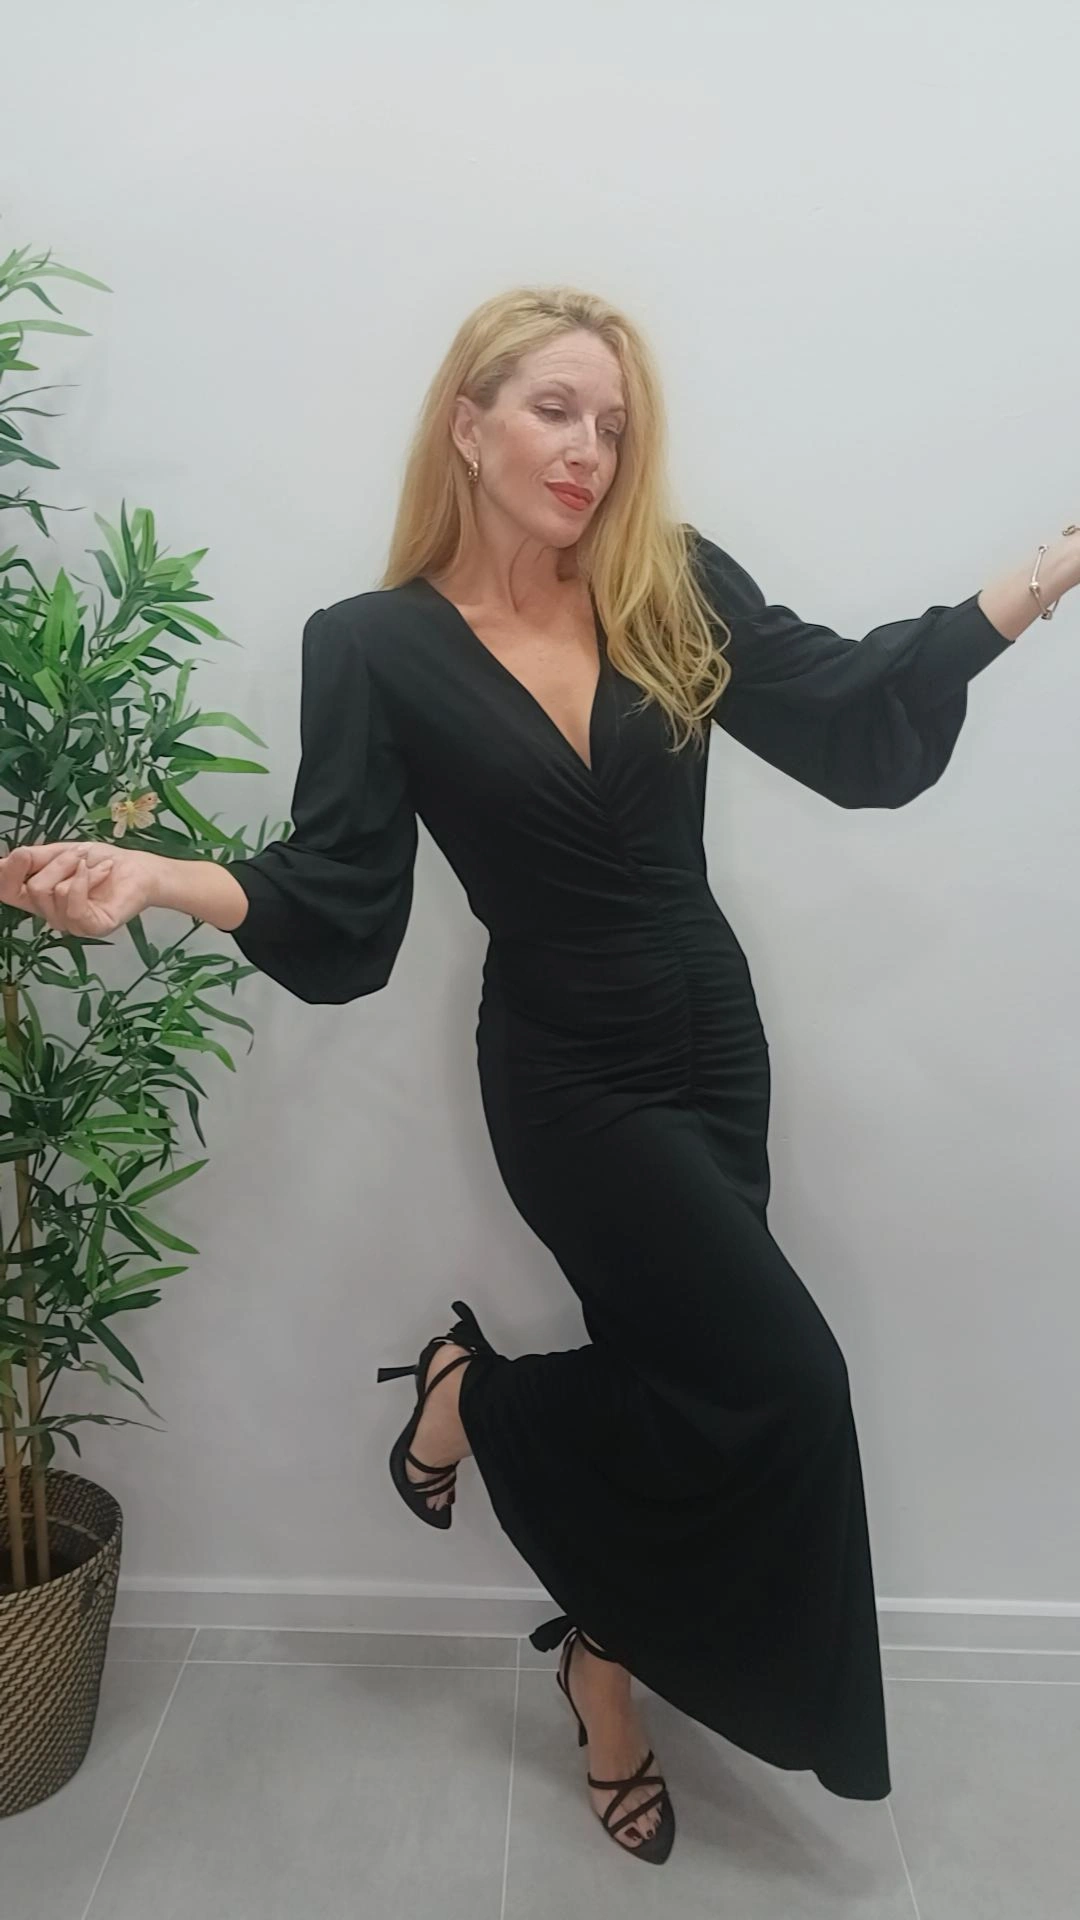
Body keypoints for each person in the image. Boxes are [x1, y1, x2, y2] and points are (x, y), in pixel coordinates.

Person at [2, 284, 1076, 1868]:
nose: (590, 450)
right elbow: (340, 893)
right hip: (570, 1071)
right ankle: (481, 1396)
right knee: (789, 1381)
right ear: (470, 423)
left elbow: (848, 711)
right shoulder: (371, 646)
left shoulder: (667, 581)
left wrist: (1032, 584)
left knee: (684, 1377)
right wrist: (159, 878)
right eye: (556, 409)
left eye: (614, 426)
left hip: (715, 1040)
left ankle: (602, 1671)